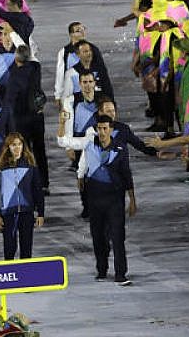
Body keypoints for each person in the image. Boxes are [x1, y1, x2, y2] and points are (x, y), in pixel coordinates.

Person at [77, 115, 136, 286]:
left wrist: (132, 199)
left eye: (105, 128)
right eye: (99, 128)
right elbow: (69, 145)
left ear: (111, 129)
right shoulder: (89, 145)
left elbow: (126, 174)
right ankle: (101, 270)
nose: (102, 132)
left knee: (118, 237)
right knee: (98, 237)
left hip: (114, 199)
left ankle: (120, 274)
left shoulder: (120, 148)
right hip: (94, 199)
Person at [0, 132, 44, 260]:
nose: (17, 147)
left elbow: (37, 191)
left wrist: (41, 213)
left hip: (26, 212)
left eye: (19, 144)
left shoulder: (31, 167)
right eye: (13, 145)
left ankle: (25, 275)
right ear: (8, 147)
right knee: (9, 248)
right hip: (8, 213)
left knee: (26, 248)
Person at [3, 45, 49, 193]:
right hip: (37, 116)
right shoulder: (36, 68)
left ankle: (29, 184)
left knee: (24, 152)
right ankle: (44, 183)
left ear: (16, 59)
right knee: (40, 150)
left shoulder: (13, 76)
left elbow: (9, 102)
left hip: (21, 120)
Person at [54, 22, 107, 107]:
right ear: (71, 34)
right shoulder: (64, 52)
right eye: (78, 30)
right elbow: (60, 75)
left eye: (83, 29)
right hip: (72, 93)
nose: (82, 32)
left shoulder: (94, 50)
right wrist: (58, 95)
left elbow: (102, 73)